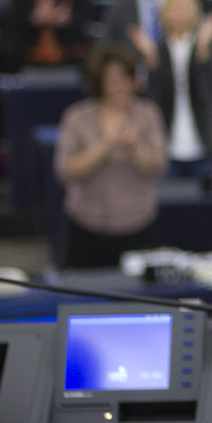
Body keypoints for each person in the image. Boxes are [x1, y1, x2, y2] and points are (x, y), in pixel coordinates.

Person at [53, 44, 168, 268]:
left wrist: (135, 147)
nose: (122, 86)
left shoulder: (148, 114)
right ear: (99, 83)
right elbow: (65, 171)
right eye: (114, 80)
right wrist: (105, 144)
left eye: (127, 78)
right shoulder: (77, 117)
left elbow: (158, 168)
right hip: (86, 226)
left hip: (138, 225)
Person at [131, 0, 212, 179]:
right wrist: (152, 64)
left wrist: (202, 52)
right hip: (167, 146)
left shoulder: (207, 48)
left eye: (185, 7)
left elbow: (211, 93)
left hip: (205, 142)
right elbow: (152, 101)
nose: (180, 13)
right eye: (174, 7)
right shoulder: (157, 51)